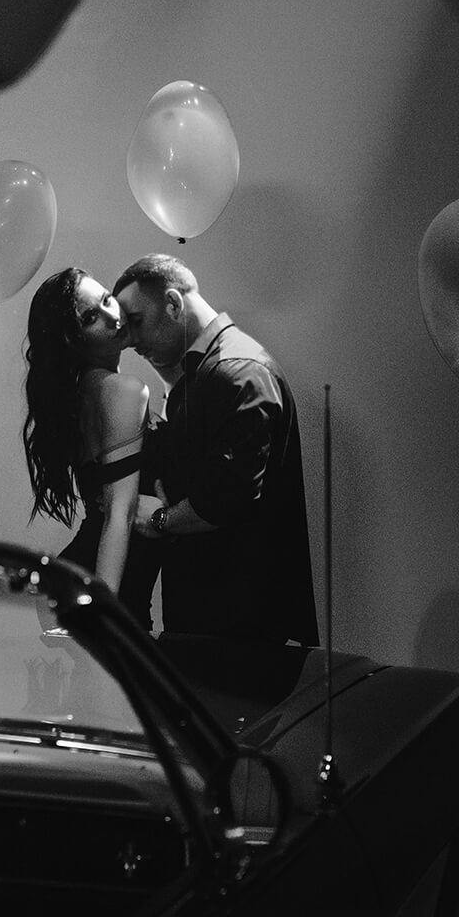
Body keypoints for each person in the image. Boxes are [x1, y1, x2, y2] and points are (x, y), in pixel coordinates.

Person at [112, 254, 318, 647]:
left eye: (136, 321)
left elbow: (225, 497)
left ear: (173, 304)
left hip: (238, 628)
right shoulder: (208, 372)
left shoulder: (234, 372)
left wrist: (159, 519)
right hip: (217, 620)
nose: (131, 340)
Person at [22, 267, 163, 631]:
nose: (113, 316)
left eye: (106, 300)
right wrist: (104, 614)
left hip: (83, 577)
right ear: (73, 341)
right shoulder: (122, 391)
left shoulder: (80, 395)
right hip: (108, 584)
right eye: (90, 318)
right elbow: (119, 513)